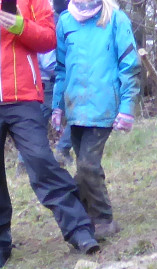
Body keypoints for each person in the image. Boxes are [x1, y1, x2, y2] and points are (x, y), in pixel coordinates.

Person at [0, 0, 101, 269]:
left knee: (41, 161)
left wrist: (19, 26)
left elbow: (48, 39)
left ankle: (79, 229)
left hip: (23, 97)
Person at [47, 0, 137, 240]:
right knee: (85, 167)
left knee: (87, 165)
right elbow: (61, 68)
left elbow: (129, 65)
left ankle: (104, 219)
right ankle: (85, 217)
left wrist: (127, 108)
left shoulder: (116, 19)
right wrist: (57, 106)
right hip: (75, 108)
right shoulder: (65, 21)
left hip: (104, 108)